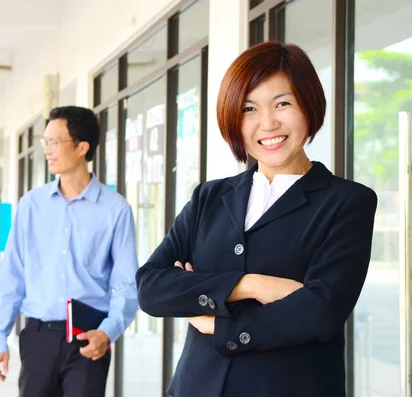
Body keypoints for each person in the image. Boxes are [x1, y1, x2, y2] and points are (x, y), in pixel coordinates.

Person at [136, 41, 378, 397]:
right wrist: (250, 285)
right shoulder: (209, 198)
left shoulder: (347, 202)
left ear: (309, 105)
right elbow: (152, 288)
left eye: (283, 103)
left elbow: (320, 312)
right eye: (249, 108)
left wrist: (214, 321)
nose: (268, 123)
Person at [0, 106, 138, 397]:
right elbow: (12, 276)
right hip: (38, 338)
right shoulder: (31, 205)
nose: (47, 150)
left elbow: (126, 284)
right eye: (45, 142)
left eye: (54, 142)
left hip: (89, 337)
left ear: (82, 147)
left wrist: (107, 332)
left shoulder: (115, 209)